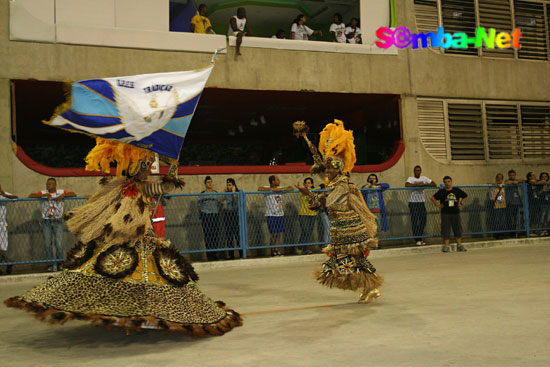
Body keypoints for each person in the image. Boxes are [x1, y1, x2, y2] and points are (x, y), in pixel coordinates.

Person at [6, 138, 242, 336]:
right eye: (147, 165)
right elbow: (101, 205)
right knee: (116, 275)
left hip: (143, 239)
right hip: (119, 239)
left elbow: (165, 189)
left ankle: (145, 315)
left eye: (150, 165)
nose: (150, 169)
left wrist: (173, 169)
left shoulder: (146, 187)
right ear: (137, 166)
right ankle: (120, 313)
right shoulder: (118, 185)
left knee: (150, 279)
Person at [296, 119, 383, 304]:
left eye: (329, 168)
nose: (326, 171)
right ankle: (370, 287)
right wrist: (306, 139)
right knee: (352, 260)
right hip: (340, 227)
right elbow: (319, 161)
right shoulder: (335, 181)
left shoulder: (342, 184)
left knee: (347, 259)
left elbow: (326, 202)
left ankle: (371, 286)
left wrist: (308, 194)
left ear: (337, 169)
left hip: (348, 228)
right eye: (326, 168)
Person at [28, 178, 76, 271]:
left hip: (57, 221)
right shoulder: (43, 192)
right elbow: (30, 195)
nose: (48, 186)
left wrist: (64, 195)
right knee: (47, 244)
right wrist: (43, 195)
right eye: (47, 184)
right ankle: (50, 265)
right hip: (46, 221)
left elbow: (73, 194)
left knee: (59, 244)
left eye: (50, 184)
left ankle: (59, 264)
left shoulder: (60, 192)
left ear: (55, 185)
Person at [431, 176, 468, 253]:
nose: (447, 183)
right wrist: (438, 205)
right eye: (446, 182)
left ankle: (459, 245)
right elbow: (433, 198)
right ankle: (446, 246)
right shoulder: (442, 192)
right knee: (446, 229)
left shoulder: (456, 190)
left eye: (449, 181)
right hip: (445, 213)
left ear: (451, 182)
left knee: (457, 228)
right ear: (444, 183)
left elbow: (465, 196)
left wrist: (461, 203)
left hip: (455, 212)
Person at [258, 175, 293, 256]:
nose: (279, 181)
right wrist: (273, 189)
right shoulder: (267, 188)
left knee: (279, 233)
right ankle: (273, 251)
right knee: (274, 233)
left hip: (280, 214)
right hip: (271, 215)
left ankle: (277, 249)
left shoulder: (281, 188)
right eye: (277, 180)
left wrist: (282, 189)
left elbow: (291, 187)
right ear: (272, 182)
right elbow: (260, 188)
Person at [405, 166, 436, 246]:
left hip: (421, 202)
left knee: (423, 219)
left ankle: (419, 236)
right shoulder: (410, 178)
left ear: (421, 171)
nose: (417, 172)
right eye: (416, 170)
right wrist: (418, 185)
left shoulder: (424, 178)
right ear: (414, 171)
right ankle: (417, 239)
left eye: (419, 170)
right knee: (415, 221)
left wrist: (424, 184)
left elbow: (434, 184)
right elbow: (407, 185)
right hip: (413, 202)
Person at [198, 176, 221, 261]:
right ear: (205, 184)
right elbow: (199, 206)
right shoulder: (202, 194)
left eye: (211, 182)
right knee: (208, 235)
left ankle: (215, 254)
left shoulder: (216, 194)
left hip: (215, 216)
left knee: (215, 235)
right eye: (208, 182)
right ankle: (209, 255)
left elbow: (220, 204)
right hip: (206, 216)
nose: (210, 184)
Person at [222, 178, 242, 259]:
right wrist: (223, 192)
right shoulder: (226, 193)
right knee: (229, 235)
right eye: (227, 185)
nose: (228, 186)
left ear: (234, 185)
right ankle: (231, 255)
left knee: (237, 235)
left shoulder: (238, 192)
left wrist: (234, 192)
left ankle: (241, 254)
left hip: (235, 215)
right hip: (227, 214)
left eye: (230, 185)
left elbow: (238, 203)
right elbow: (221, 201)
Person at [0, 185, 17, 275]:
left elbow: (15, 198)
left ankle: (8, 262)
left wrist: (5, 195)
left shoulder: (3, 194)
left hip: (2, 225)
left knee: (2, 248)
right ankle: (8, 262)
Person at [297, 177, 316, 255]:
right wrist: (300, 187)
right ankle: (304, 248)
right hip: (303, 214)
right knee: (306, 230)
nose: (308, 184)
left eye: (309, 183)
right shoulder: (303, 190)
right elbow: (306, 191)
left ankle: (301, 245)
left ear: (312, 184)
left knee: (309, 232)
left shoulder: (315, 191)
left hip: (312, 214)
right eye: (306, 183)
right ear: (304, 184)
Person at [504, 169, 524, 237]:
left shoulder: (517, 181)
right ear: (508, 175)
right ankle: (511, 232)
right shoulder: (507, 181)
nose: (512, 176)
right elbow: (506, 183)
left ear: (515, 175)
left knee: (517, 218)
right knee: (510, 218)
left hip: (517, 202)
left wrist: (517, 181)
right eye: (510, 175)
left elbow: (522, 180)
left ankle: (517, 232)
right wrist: (513, 182)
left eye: (513, 175)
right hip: (509, 203)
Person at [489, 173, 507, 238]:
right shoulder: (493, 186)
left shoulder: (504, 186)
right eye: (498, 178)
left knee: (503, 220)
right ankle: (497, 234)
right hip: (496, 206)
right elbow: (491, 197)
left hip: (503, 205)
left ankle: (502, 233)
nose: (499, 179)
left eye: (501, 178)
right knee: (497, 220)